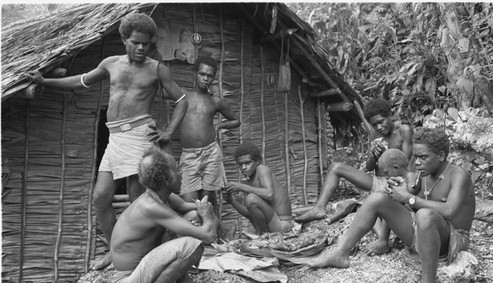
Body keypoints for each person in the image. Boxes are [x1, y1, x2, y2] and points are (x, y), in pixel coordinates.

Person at [25, 13, 188, 270]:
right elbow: (80, 81)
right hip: (115, 138)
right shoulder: (110, 63)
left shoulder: (157, 69)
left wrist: (168, 132)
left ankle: (144, 257)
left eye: (146, 43)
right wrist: (45, 81)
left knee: (139, 199)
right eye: (135, 42)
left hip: (139, 136)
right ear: (124, 39)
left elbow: (181, 100)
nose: (141, 48)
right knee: (100, 197)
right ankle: (116, 250)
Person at [306, 128, 475, 283]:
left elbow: (450, 211)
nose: (417, 162)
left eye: (423, 157)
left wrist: (409, 199)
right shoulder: (422, 174)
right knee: (378, 198)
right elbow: (406, 198)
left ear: (441, 155)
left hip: (453, 241)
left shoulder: (458, 175)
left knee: (425, 214)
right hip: (424, 233)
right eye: (416, 156)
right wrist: (396, 190)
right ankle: (340, 253)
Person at [110, 146, 218, 283]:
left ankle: (168, 282)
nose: (181, 172)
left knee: (191, 217)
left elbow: (184, 207)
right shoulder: (150, 207)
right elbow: (209, 236)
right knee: (192, 245)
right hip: (128, 281)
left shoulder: (160, 196)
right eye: (177, 170)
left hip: (142, 272)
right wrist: (207, 214)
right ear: (167, 179)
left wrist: (201, 208)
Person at [295, 98, 413, 255]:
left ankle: (383, 240)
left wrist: (390, 160)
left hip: (396, 181)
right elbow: (371, 167)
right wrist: (373, 154)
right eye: (374, 124)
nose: (379, 127)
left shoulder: (403, 131)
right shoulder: (374, 134)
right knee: (336, 167)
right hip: (376, 180)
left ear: (390, 115)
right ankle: (319, 208)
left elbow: (407, 165)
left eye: (381, 122)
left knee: (380, 200)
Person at [176, 56, 240, 216]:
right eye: (202, 74)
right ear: (195, 73)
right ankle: (195, 238)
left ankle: (215, 237)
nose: (206, 78)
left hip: (211, 153)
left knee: (209, 199)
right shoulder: (183, 95)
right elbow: (160, 87)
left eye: (210, 76)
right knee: (189, 201)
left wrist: (219, 126)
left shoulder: (215, 102)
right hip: (189, 156)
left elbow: (236, 120)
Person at [224, 142, 293, 233]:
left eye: (247, 163)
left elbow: (269, 194)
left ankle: (264, 235)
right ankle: (265, 235)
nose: (243, 167)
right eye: (240, 164)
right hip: (273, 225)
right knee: (251, 199)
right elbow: (250, 214)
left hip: (282, 224)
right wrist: (231, 201)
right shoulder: (248, 184)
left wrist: (241, 186)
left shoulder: (261, 169)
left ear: (257, 161)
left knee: (251, 198)